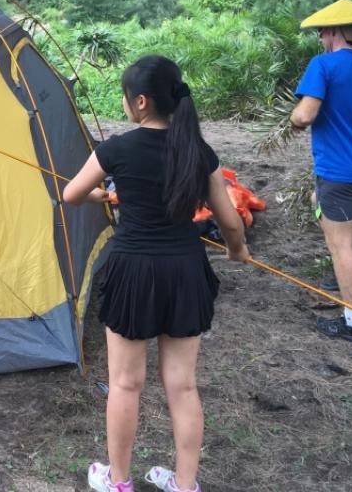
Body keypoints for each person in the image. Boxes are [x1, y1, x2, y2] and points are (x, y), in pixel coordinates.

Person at [63, 56, 249, 492]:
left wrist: (101, 196)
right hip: (185, 270)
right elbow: (230, 221)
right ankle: (186, 486)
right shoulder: (197, 151)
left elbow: (71, 193)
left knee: (126, 384)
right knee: (183, 387)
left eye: (127, 98)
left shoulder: (116, 149)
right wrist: (238, 251)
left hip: (133, 270)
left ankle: (120, 482)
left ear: (140, 102)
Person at [290, 0, 352, 343]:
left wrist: (294, 120)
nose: (320, 38)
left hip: (340, 170)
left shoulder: (323, 65)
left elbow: (304, 115)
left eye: (321, 32)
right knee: (318, 200)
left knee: (341, 245)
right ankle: (343, 279)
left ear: (334, 31)